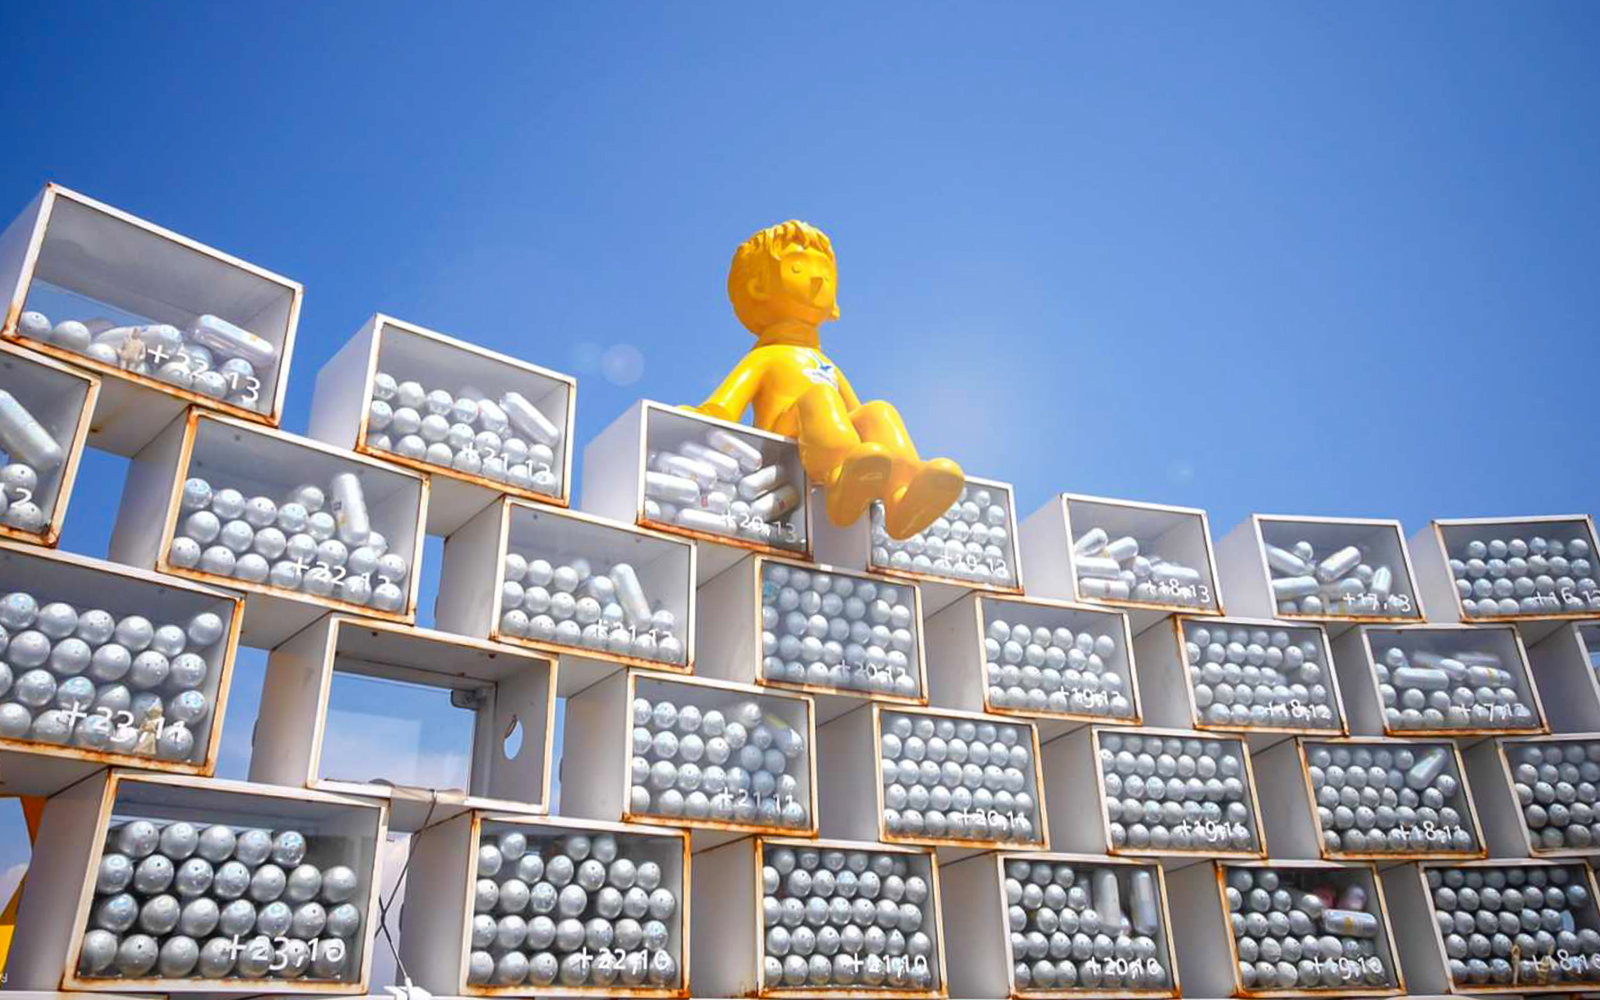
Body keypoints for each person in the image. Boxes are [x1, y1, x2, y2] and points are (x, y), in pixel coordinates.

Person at [693, 220, 963, 539]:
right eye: (797, 268)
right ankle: (840, 478)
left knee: (879, 412)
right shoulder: (767, 356)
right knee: (820, 396)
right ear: (757, 287)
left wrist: (870, 438)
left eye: (825, 271)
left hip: (830, 440)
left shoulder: (827, 365)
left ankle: (901, 497)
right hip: (781, 442)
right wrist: (710, 414)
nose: (818, 278)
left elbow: (855, 416)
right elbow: (725, 403)